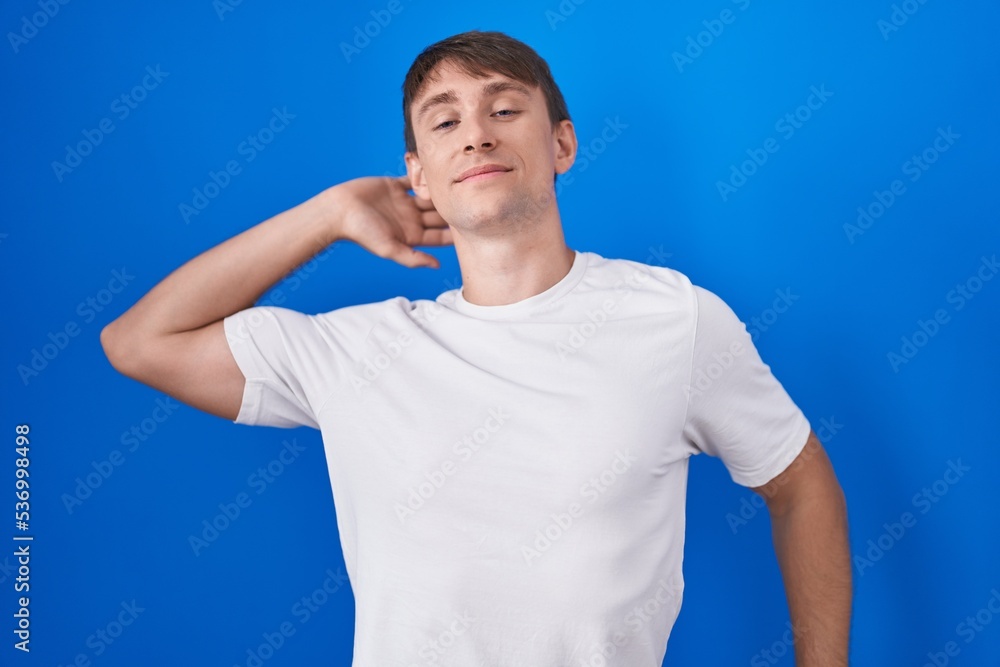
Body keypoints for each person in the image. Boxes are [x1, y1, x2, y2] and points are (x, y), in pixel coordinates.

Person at [101, 29, 851, 666]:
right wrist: (327, 214)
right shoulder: (358, 350)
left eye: (503, 108)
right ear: (418, 174)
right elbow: (139, 341)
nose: (477, 134)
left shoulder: (675, 318)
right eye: (445, 121)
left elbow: (799, 480)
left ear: (561, 143)